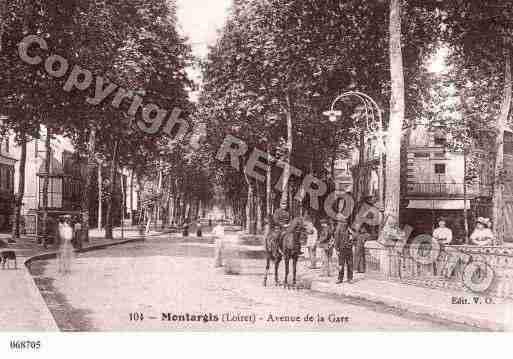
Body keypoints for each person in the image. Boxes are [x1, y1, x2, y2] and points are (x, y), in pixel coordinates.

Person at [334, 215, 354, 284]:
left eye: (346, 222)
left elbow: (353, 237)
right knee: (341, 265)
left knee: (350, 264)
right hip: (341, 249)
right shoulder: (338, 229)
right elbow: (336, 240)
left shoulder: (348, 229)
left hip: (348, 249)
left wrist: (352, 237)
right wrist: (336, 249)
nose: (345, 223)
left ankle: (350, 278)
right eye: (343, 221)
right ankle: (340, 278)